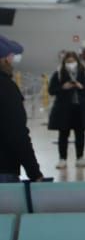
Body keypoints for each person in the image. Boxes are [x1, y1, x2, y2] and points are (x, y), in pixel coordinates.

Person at [0, 36, 43, 183]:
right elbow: (17, 134)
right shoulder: (6, 88)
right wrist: (35, 173)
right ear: (5, 59)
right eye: (11, 57)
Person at [47, 50, 85, 170]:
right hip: (64, 110)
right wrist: (63, 87)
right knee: (63, 134)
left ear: (77, 61)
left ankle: (80, 157)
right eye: (68, 61)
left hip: (80, 109)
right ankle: (62, 159)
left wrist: (81, 86)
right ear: (64, 62)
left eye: (72, 61)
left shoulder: (84, 73)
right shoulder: (58, 73)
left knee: (80, 134)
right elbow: (51, 90)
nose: (70, 63)